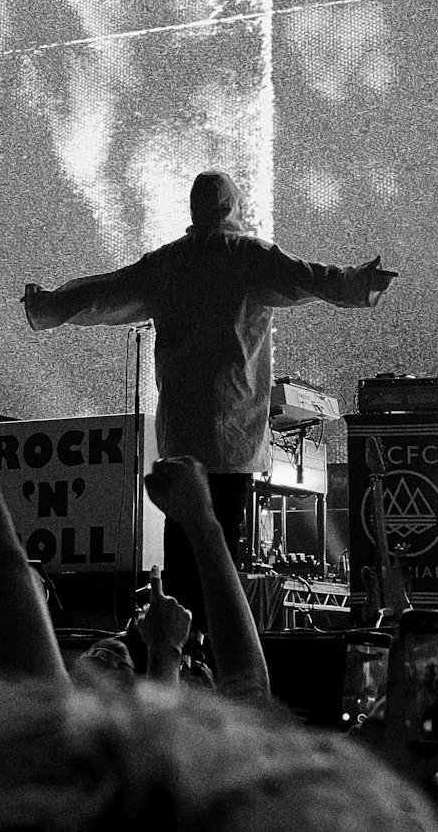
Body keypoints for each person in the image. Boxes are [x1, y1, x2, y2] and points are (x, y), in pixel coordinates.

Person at [22, 169, 396, 626]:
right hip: (233, 434)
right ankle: (215, 653)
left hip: (182, 433)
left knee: (182, 549)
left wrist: (48, 305)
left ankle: (179, 650)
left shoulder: (167, 263)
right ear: (233, 205)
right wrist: (361, 281)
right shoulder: (248, 255)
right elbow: (311, 278)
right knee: (219, 553)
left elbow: (102, 292)